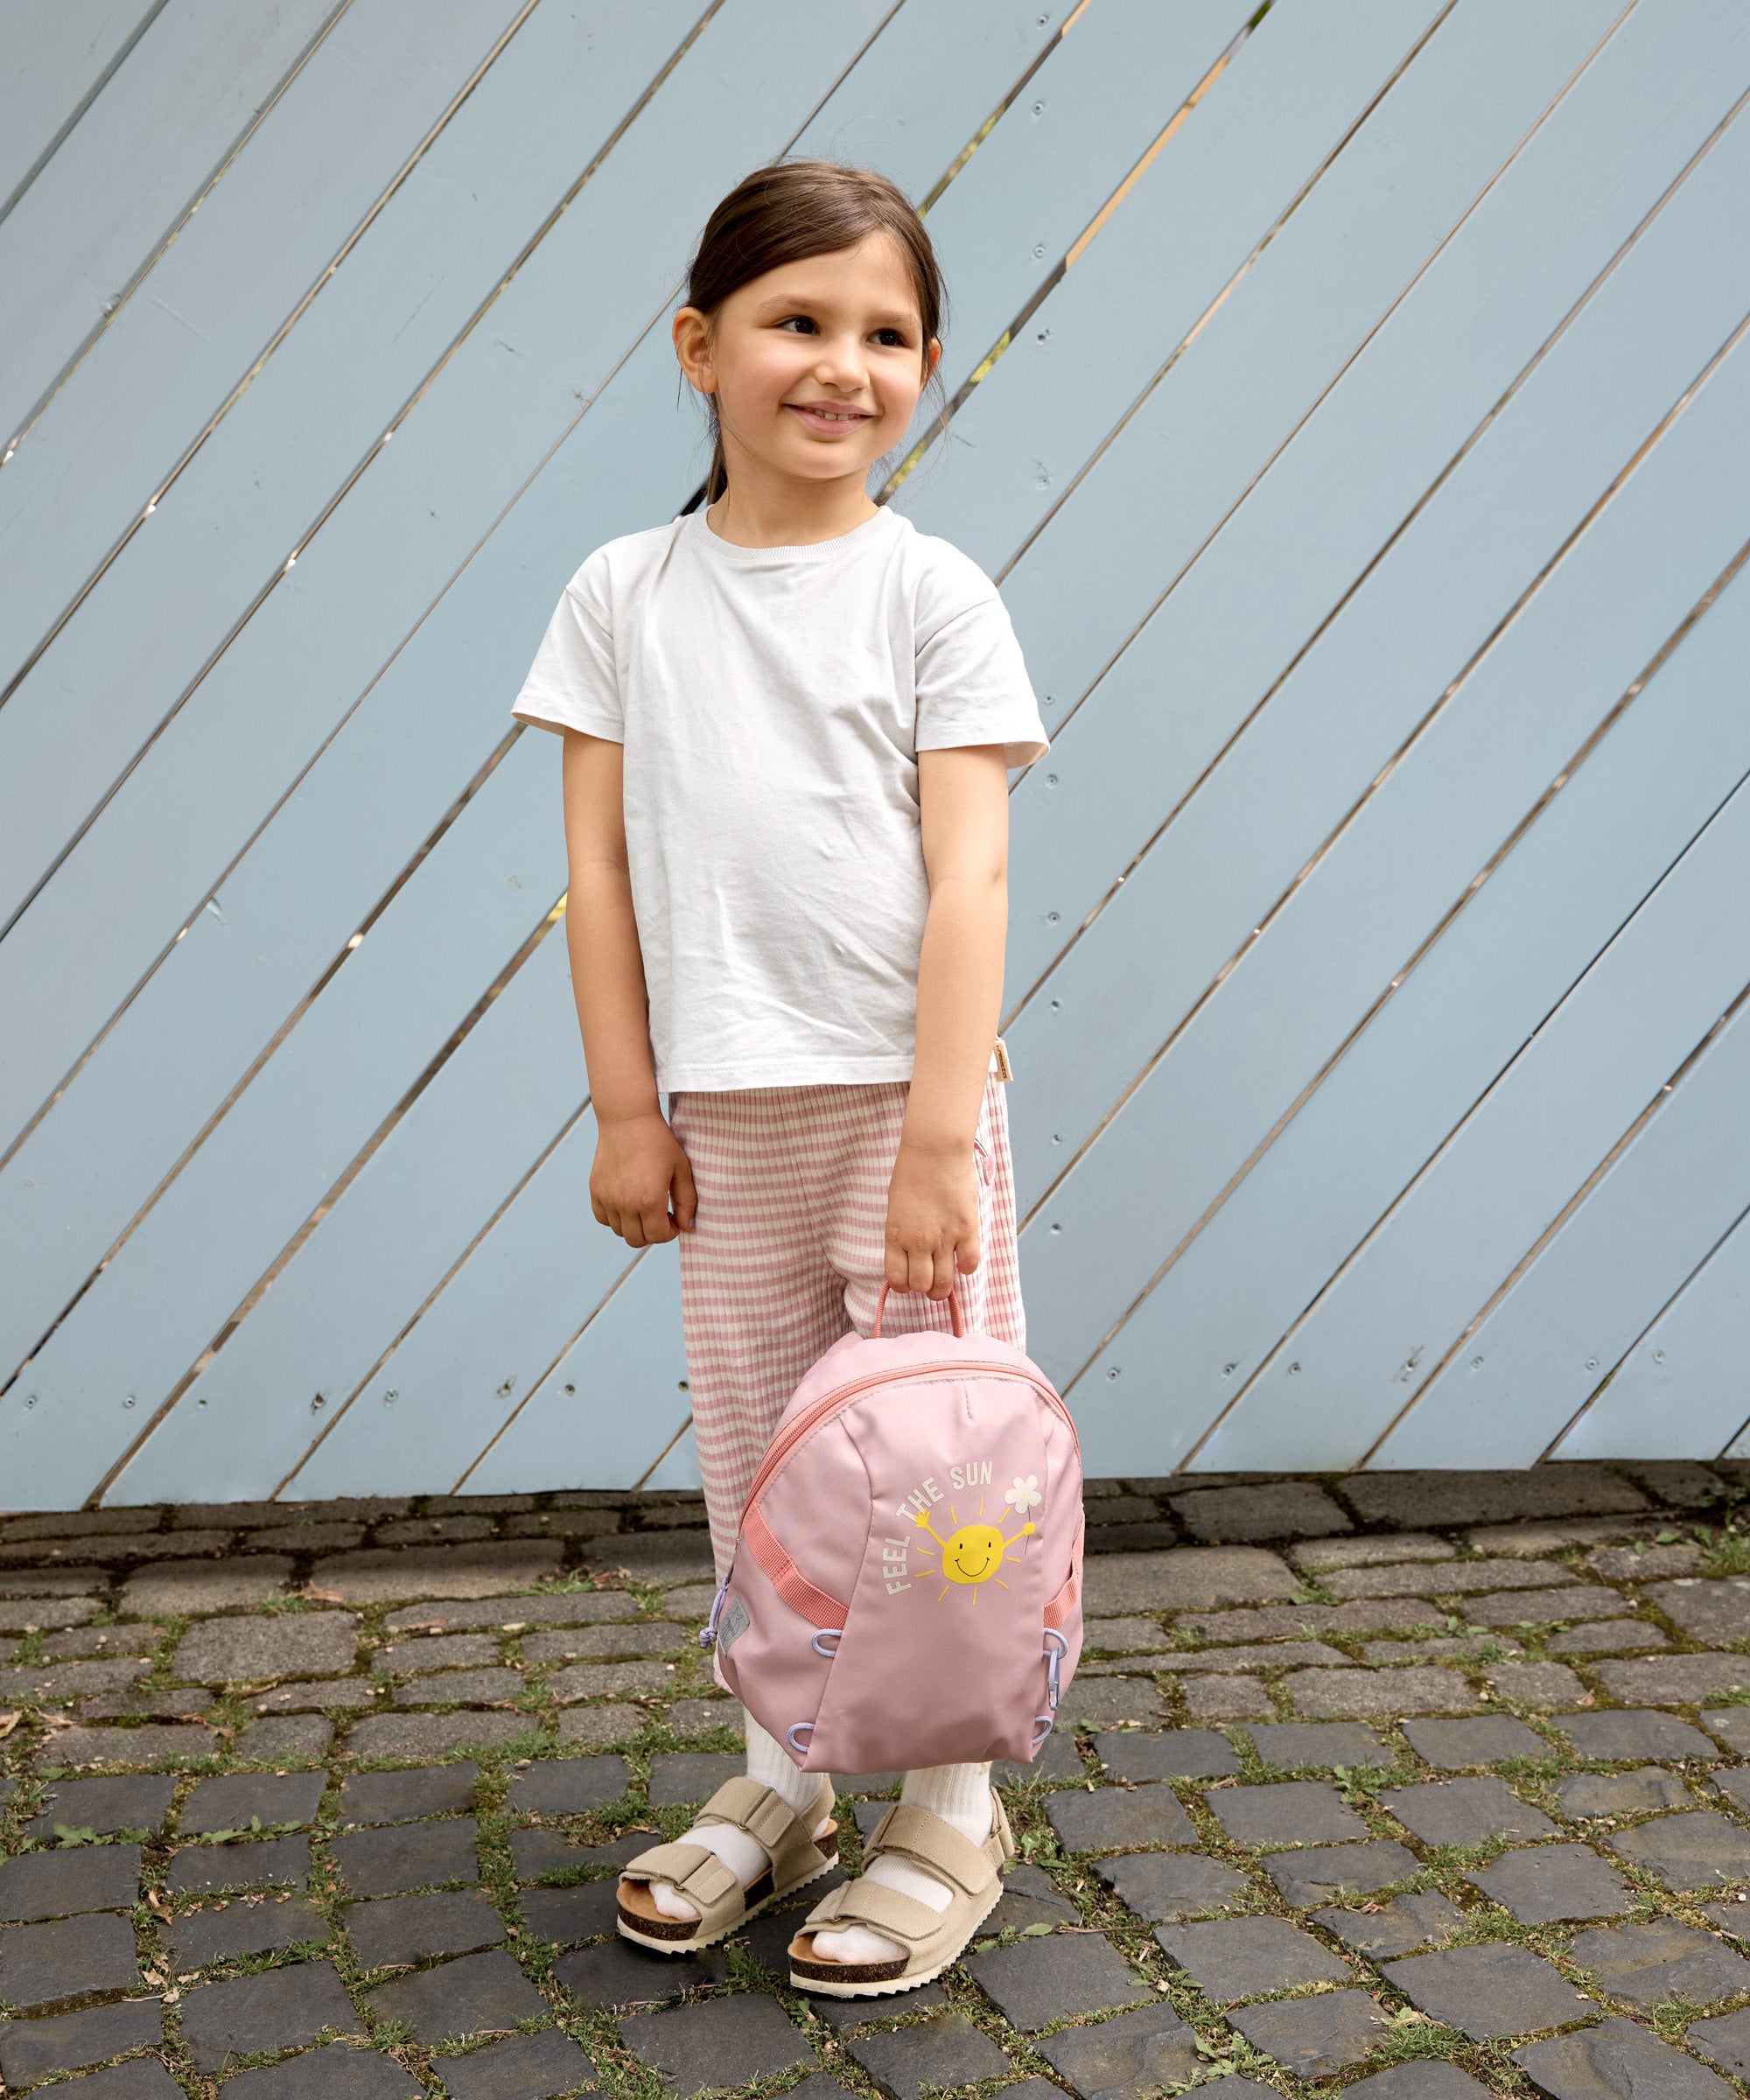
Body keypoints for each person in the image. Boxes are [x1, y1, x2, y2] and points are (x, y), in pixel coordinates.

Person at [510, 159, 1049, 1995]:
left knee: (933, 1471)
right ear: (700, 348)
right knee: (764, 1473)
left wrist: (933, 1137)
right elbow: (595, 871)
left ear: (924, 368)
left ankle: (954, 1812)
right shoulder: (621, 593)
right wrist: (622, 1105)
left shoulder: (933, 592)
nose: (843, 364)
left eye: (887, 333)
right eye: (797, 322)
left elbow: (968, 872)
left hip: (906, 1116)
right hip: (724, 1117)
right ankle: (783, 1784)